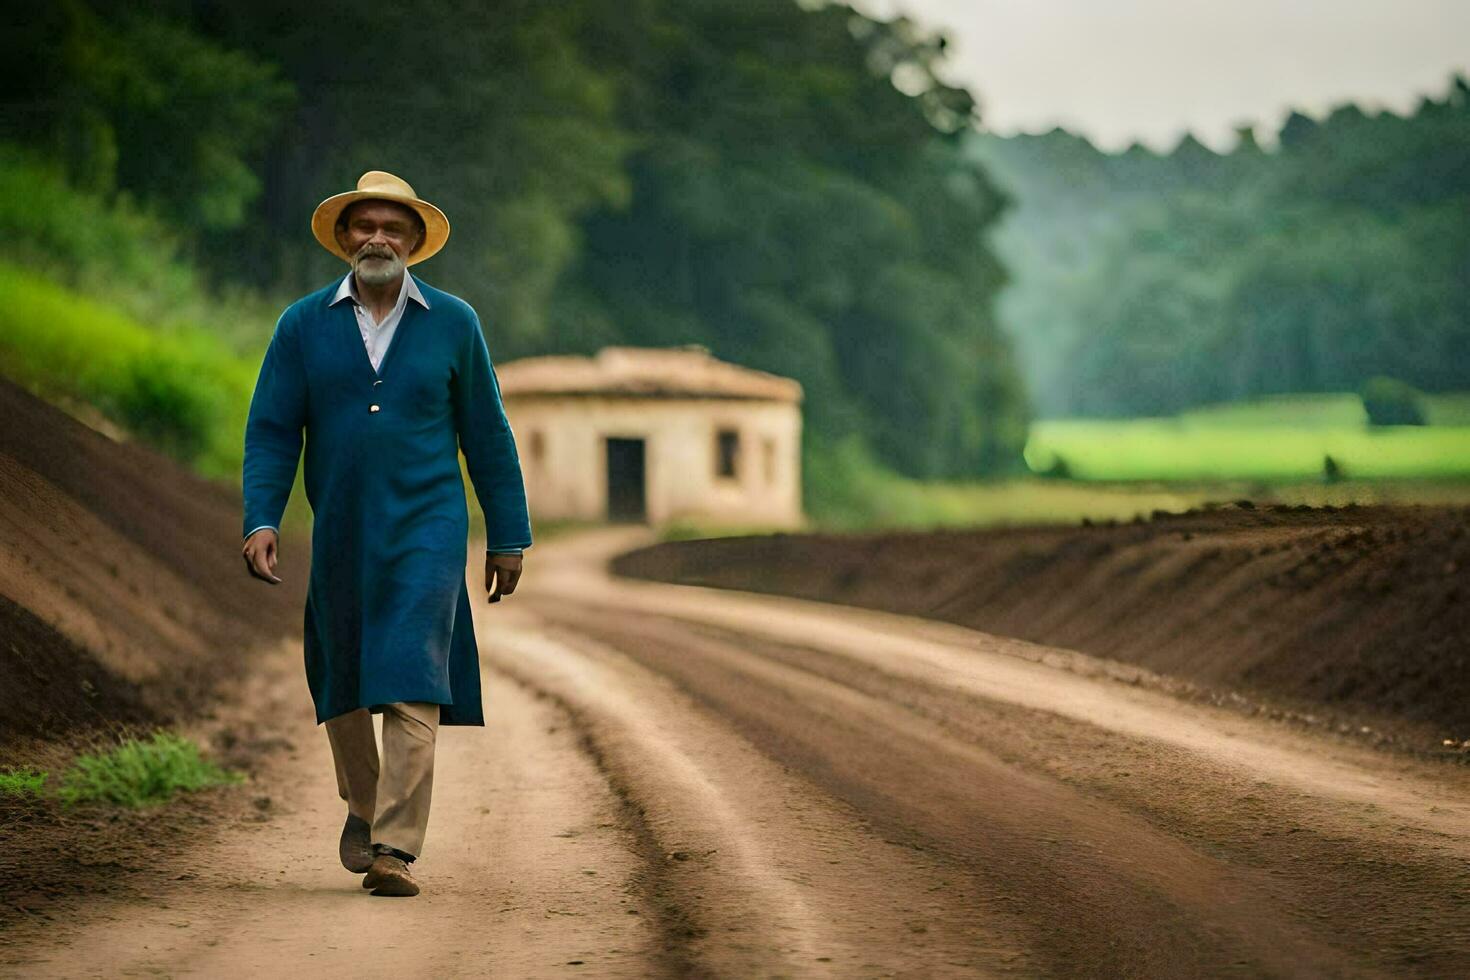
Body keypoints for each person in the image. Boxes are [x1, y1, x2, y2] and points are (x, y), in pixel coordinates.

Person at [240, 170, 531, 898]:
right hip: (339, 526)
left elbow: (487, 435)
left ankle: (395, 846)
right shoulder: (302, 325)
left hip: (429, 527)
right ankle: (364, 809)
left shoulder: (454, 323)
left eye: (391, 228)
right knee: (341, 678)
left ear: (414, 242)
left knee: (412, 673)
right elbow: (272, 432)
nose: (377, 238)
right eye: (364, 226)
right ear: (345, 238)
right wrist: (262, 518)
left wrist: (508, 535)